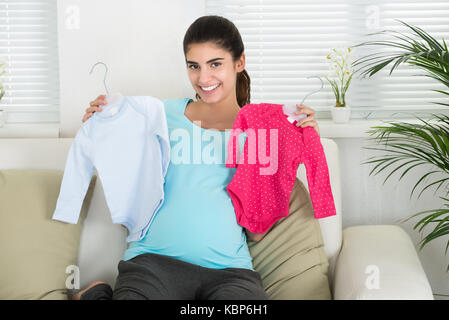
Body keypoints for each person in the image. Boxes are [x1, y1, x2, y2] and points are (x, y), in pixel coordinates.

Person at [72, 15, 321, 300]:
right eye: (194, 66)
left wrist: (291, 144)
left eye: (215, 64)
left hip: (229, 274)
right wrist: (99, 122)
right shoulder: (161, 115)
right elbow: (116, 163)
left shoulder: (261, 134)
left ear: (239, 62)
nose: (203, 78)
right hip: (153, 264)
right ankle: (95, 294)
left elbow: (256, 233)